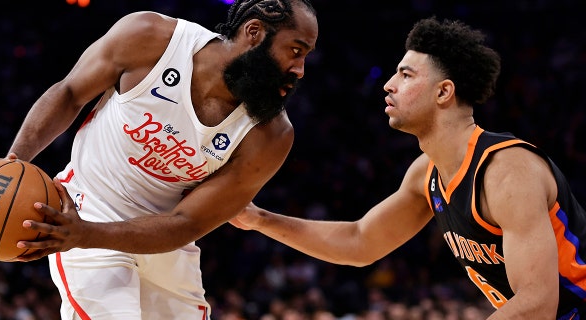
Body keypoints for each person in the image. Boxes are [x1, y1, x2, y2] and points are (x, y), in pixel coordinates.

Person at [0, 0, 318, 319]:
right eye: (296, 50)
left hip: (161, 239)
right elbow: (68, 94)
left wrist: (88, 235)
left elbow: (185, 223)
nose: (300, 69)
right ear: (253, 32)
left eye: (306, 56)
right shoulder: (152, 38)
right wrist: (10, 164)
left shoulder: (270, 135)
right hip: (86, 209)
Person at [230, 17, 586, 319]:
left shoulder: (506, 170)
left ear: (443, 92)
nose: (389, 84)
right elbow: (359, 242)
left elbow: (538, 303)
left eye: (405, 74)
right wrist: (259, 219)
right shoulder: (426, 173)